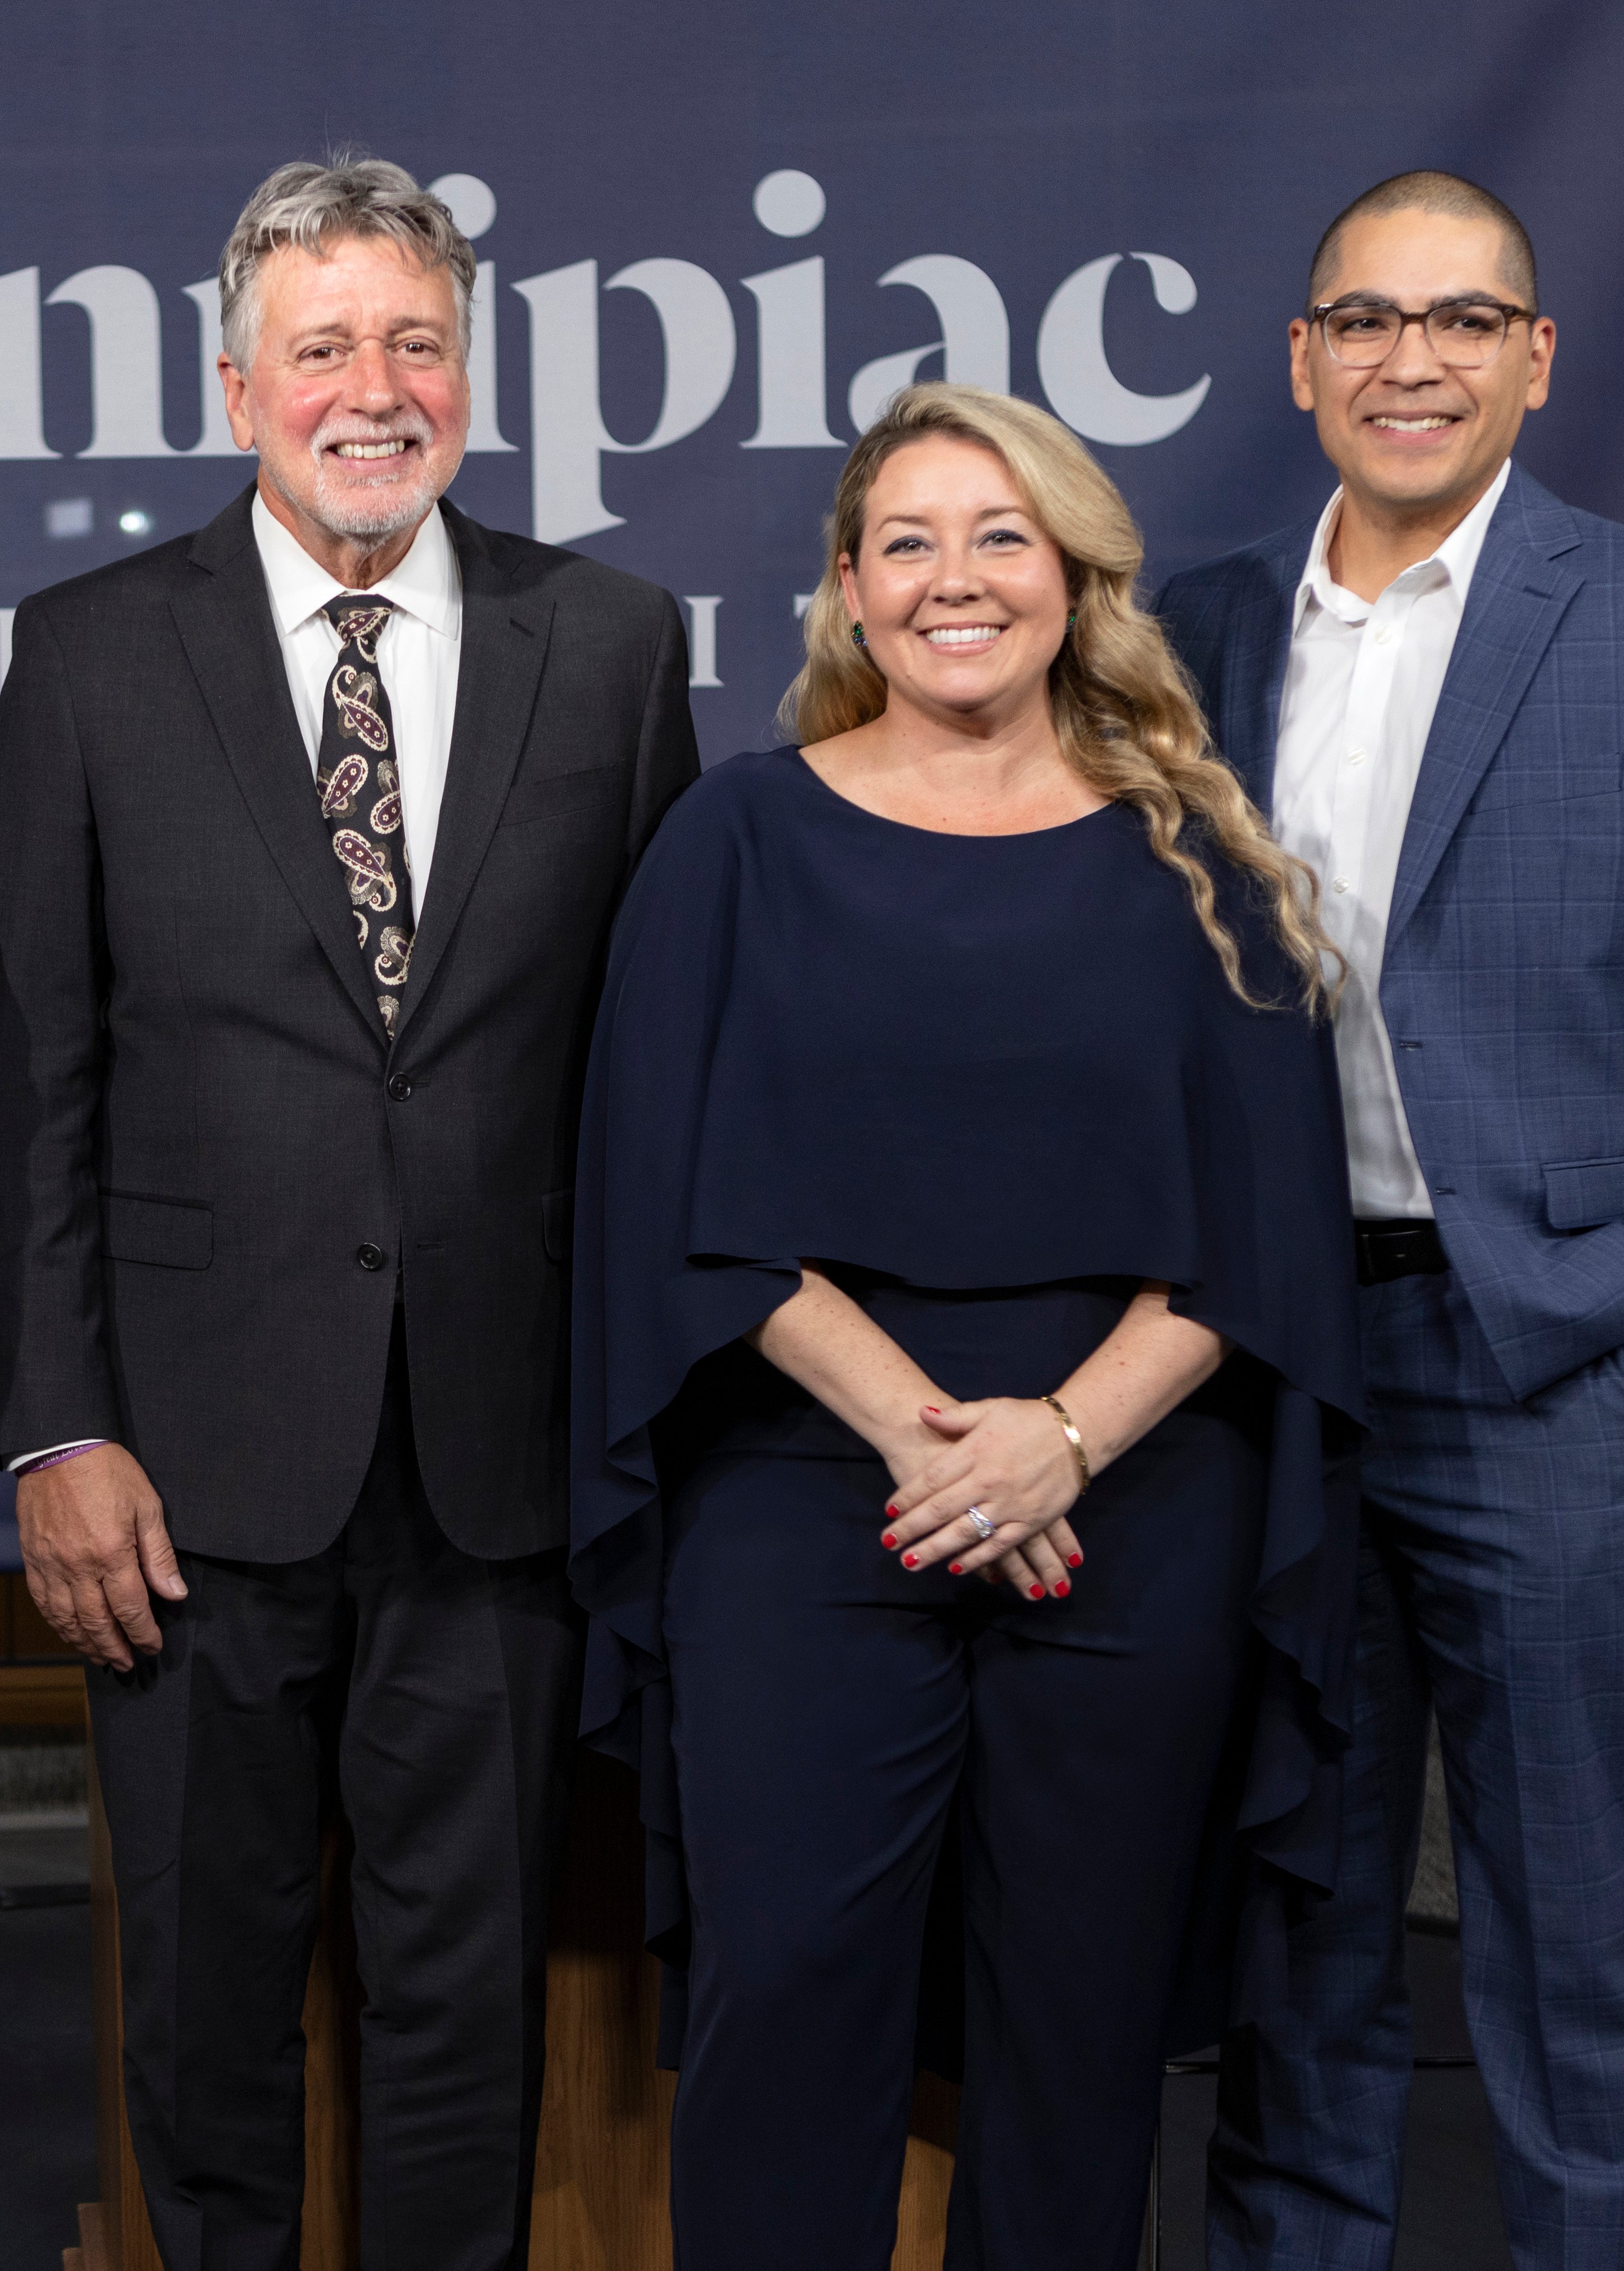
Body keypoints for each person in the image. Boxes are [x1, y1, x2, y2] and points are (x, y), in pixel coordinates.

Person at [0, 150, 700, 2267]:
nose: (371, 388)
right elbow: (31, 1070)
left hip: (502, 1454)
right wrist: (57, 1424)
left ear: (466, 369)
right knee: (205, 2011)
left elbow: (649, 1074)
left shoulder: (614, 647)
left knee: (462, 2009)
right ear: (231, 384)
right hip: (181, 1467)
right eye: (321, 348)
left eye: (413, 342)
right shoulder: (90, 655)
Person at [568, 382, 1362, 2269]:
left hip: (1132, 1507)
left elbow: (1267, 1244)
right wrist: (933, 1432)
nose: (955, 581)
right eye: (907, 542)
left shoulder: (1205, 855)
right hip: (807, 1502)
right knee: (791, 2005)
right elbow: (661, 1201)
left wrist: (1058, 1439)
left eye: (1002, 537)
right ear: (848, 589)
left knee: (1076, 2041)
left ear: (1079, 579)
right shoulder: (734, 843)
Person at [1169, 172, 1624, 2271]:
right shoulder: (1200, 632)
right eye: (1369, 318)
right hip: (1269, 1368)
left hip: (1543, 1367)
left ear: (1535, 357)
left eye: (1464, 320)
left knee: (1571, 1917)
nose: (1414, 359)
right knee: (1302, 1904)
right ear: (1303, 357)